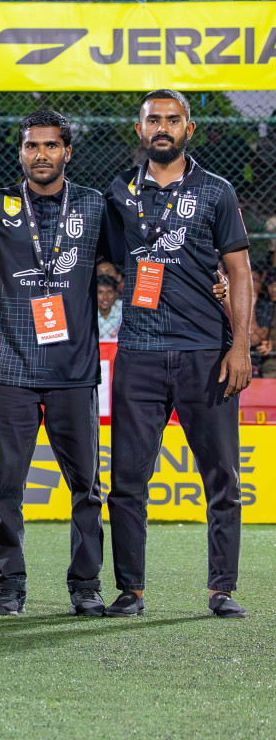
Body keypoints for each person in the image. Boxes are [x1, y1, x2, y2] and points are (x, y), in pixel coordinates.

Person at [102, 89, 253, 619]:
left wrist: (240, 344)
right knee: (126, 481)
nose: (161, 128)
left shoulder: (216, 191)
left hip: (205, 353)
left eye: (172, 119)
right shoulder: (117, 191)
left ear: (189, 128)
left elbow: (238, 272)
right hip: (138, 353)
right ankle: (131, 590)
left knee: (222, 478)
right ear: (139, 130)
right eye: (152, 120)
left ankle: (221, 589)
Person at [0, 110, 107, 617]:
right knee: (6, 487)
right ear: (21, 152)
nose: (41, 155)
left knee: (86, 486)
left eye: (51, 146)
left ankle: (86, 584)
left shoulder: (93, 206)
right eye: (32, 146)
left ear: (67, 152)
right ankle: (10, 584)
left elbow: (138, 254)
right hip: (12, 368)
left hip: (73, 371)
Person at [96, 275, 122, 343]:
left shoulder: (123, 310)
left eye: (109, 292)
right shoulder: (86, 312)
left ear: (116, 294)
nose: (105, 297)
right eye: (100, 292)